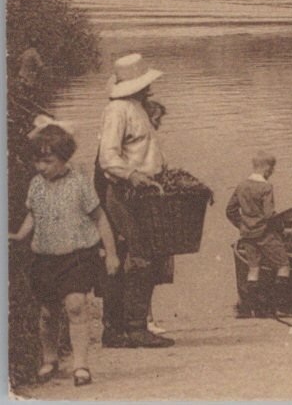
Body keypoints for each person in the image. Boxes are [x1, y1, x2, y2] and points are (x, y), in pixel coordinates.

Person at [10, 121, 117, 387]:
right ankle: (50, 358)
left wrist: (112, 254)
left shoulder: (79, 183)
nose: (41, 167)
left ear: (64, 157)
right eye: (37, 161)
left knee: (76, 306)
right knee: (48, 312)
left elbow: (100, 218)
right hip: (45, 258)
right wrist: (19, 235)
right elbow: (33, 215)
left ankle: (80, 365)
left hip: (76, 256)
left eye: (47, 161)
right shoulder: (36, 184)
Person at [96, 53, 175, 349]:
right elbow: (108, 156)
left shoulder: (137, 108)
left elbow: (146, 149)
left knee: (144, 254)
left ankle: (120, 328)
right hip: (127, 191)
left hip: (144, 190)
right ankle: (133, 327)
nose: (150, 90)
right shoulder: (118, 110)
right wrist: (131, 175)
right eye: (145, 85)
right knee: (140, 255)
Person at [226, 152, 291, 317]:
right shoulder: (266, 187)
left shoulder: (241, 186)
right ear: (266, 168)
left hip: (247, 235)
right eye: (272, 168)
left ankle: (250, 308)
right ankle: (274, 307)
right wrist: (281, 228)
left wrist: (242, 225)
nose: (272, 172)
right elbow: (269, 215)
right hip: (265, 234)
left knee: (253, 269)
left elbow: (230, 210)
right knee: (283, 265)